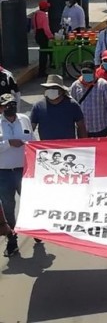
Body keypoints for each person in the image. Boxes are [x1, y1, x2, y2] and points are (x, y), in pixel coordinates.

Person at [0, 93, 34, 257]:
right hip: (4, 172)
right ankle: (12, 239)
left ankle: (36, 231)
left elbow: (33, 141)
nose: (10, 107)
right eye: (6, 105)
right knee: (8, 207)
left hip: (24, 170)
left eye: (12, 104)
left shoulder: (24, 119)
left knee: (30, 202)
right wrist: (8, 144)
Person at [30, 75, 87, 140]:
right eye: (48, 88)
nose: (50, 90)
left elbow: (81, 127)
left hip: (68, 147)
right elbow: (31, 128)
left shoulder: (73, 105)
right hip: (46, 148)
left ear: (61, 91)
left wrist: (83, 144)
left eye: (54, 88)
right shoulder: (38, 106)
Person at [69, 62, 107, 138]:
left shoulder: (103, 85)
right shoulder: (75, 86)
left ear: (94, 71)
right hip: (83, 130)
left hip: (100, 129)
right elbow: (71, 107)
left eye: (89, 72)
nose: (86, 74)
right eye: (84, 72)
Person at [31, 0, 54, 77]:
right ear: (45, 8)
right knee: (46, 52)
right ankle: (43, 70)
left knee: (43, 52)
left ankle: (44, 69)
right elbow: (46, 28)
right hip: (43, 35)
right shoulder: (44, 15)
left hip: (38, 34)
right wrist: (50, 36)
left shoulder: (35, 14)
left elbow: (34, 27)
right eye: (47, 7)